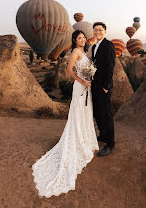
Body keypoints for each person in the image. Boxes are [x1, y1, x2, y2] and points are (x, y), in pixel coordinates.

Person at [32, 30, 98, 198]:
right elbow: (69, 70)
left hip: (86, 85)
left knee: (86, 112)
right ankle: (76, 140)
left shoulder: (84, 52)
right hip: (79, 86)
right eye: (79, 38)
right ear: (74, 40)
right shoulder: (75, 52)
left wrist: (89, 77)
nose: (82, 40)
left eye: (84, 37)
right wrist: (82, 80)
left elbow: (87, 68)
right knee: (77, 112)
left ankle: (84, 138)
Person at [91, 22, 116, 156]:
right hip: (95, 85)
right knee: (98, 112)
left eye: (100, 30)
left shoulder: (108, 45)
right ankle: (103, 135)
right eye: (95, 30)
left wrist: (106, 86)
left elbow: (110, 66)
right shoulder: (95, 46)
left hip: (104, 86)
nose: (97, 32)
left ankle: (110, 143)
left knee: (106, 114)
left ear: (105, 31)